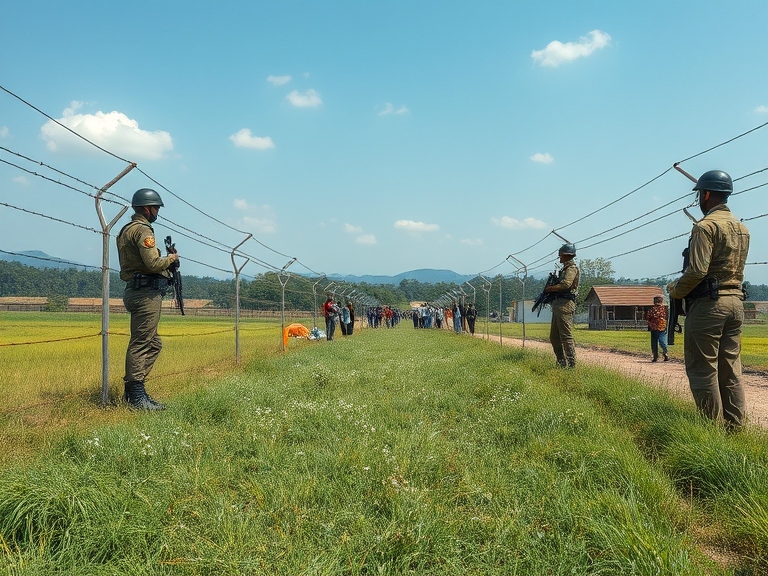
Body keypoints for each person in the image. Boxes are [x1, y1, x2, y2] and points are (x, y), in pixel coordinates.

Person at [667, 170, 749, 428]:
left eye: (700, 195)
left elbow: (698, 271)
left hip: (709, 306)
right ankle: (735, 429)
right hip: (736, 303)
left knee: (703, 369)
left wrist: (675, 290)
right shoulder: (742, 229)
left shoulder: (705, 227)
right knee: (731, 370)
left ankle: (709, 430)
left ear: (707, 194)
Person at [116, 188, 179, 410]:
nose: (157, 212)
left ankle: (135, 391)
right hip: (145, 294)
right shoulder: (143, 230)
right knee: (142, 343)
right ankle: (135, 396)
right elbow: (152, 264)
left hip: (136, 290)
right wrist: (170, 258)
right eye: (156, 208)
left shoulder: (126, 230)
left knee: (153, 343)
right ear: (146, 208)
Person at [544, 243, 580, 368]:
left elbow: (566, 284)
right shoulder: (565, 269)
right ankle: (561, 363)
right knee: (554, 337)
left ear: (566, 255)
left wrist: (551, 288)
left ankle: (571, 365)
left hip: (565, 305)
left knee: (565, 336)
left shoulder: (571, 269)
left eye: (561, 256)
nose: (559, 258)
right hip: (558, 304)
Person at [645, 295, 669, 362]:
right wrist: (651, 325)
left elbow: (668, 318)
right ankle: (656, 357)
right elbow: (648, 318)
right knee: (656, 343)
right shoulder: (652, 310)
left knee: (662, 343)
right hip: (654, 329)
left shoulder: (665, 309)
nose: (657, 302)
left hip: (662, 328)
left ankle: (665, 354)